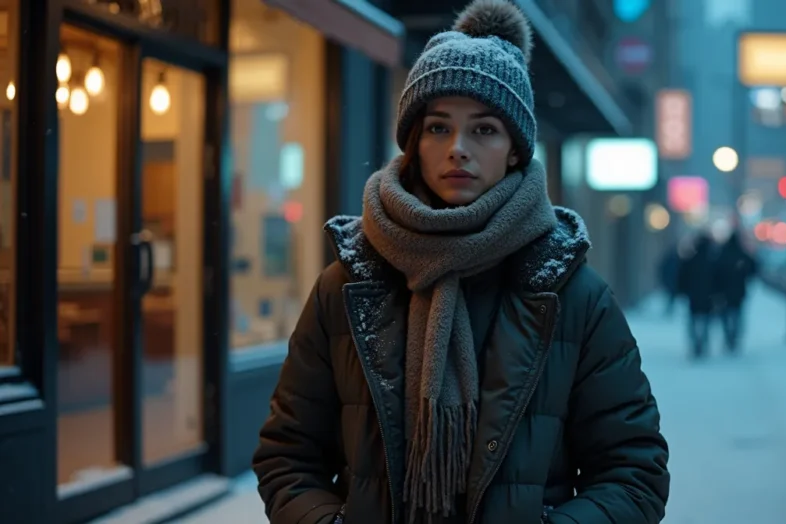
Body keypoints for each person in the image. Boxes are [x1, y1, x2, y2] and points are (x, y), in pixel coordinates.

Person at [251, 1, 670, 523]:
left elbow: (634, 473)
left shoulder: (570, 294)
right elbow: (286, 457)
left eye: (484, 130)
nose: (457, 149)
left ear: (515, 149)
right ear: (413, 143)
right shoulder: (349, 283)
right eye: (437, 128)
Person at [713, 229, 758, 352]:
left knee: (725, 315)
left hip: (723, 292)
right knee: (737, 315)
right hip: (739, 292)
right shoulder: (742, 255)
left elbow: (715, 273)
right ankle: (734, 337)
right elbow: (753, 269)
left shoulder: (722, 255)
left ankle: (729, 336)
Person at [678, 232, 717, 358]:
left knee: (693, 321)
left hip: (693, 297)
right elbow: (718, 280)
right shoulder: (712, 262)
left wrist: (683, 291)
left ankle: (696, 343)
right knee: (705, 321)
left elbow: (682, 278)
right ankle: (702, 343)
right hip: (708, 297)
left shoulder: (690, 261)